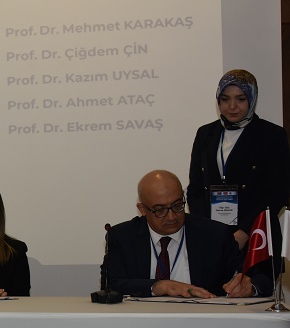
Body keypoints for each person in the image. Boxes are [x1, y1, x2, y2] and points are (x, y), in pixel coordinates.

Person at [103, 170, 271, 298]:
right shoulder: (121, 236)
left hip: (203, 324)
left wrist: (250, 287)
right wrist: (160, 286)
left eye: (177, 205)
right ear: (142, 209)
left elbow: (261, 279)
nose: (171, 216)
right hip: (142, 324)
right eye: (160, 210)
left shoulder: (215, 234)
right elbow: (111, 285)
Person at [187, 69, 290, 253]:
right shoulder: (205, 133)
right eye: (225, 99)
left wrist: (245, 231)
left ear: (252, 99)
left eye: (240, 99)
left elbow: (278, 191)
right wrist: (206, 228)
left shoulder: (272, 135)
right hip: (212, 236)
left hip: (257, 237)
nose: (232, 106)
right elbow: (195, 188)